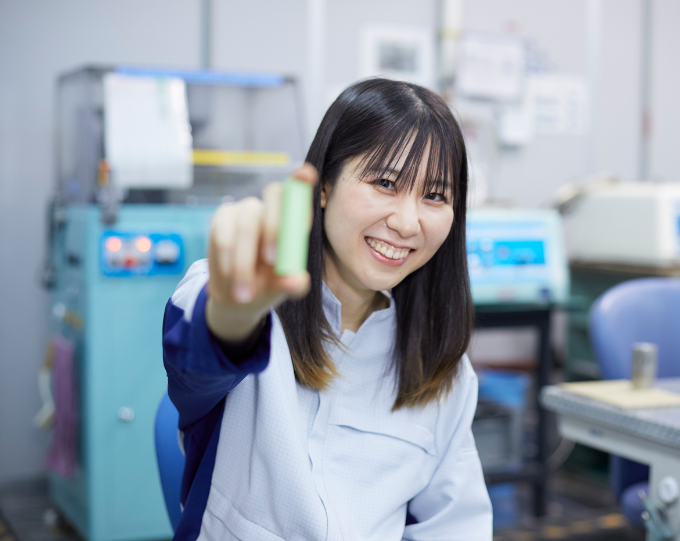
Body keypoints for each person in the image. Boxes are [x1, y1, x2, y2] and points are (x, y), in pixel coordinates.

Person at [163, 78, 493, 541]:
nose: (406, 222)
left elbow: (455, 526)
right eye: (385, 182)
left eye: (435, 195)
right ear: (323, 186)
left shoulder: (443, 368)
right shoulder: (239, 295)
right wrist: (236, 319)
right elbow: (196, 361)